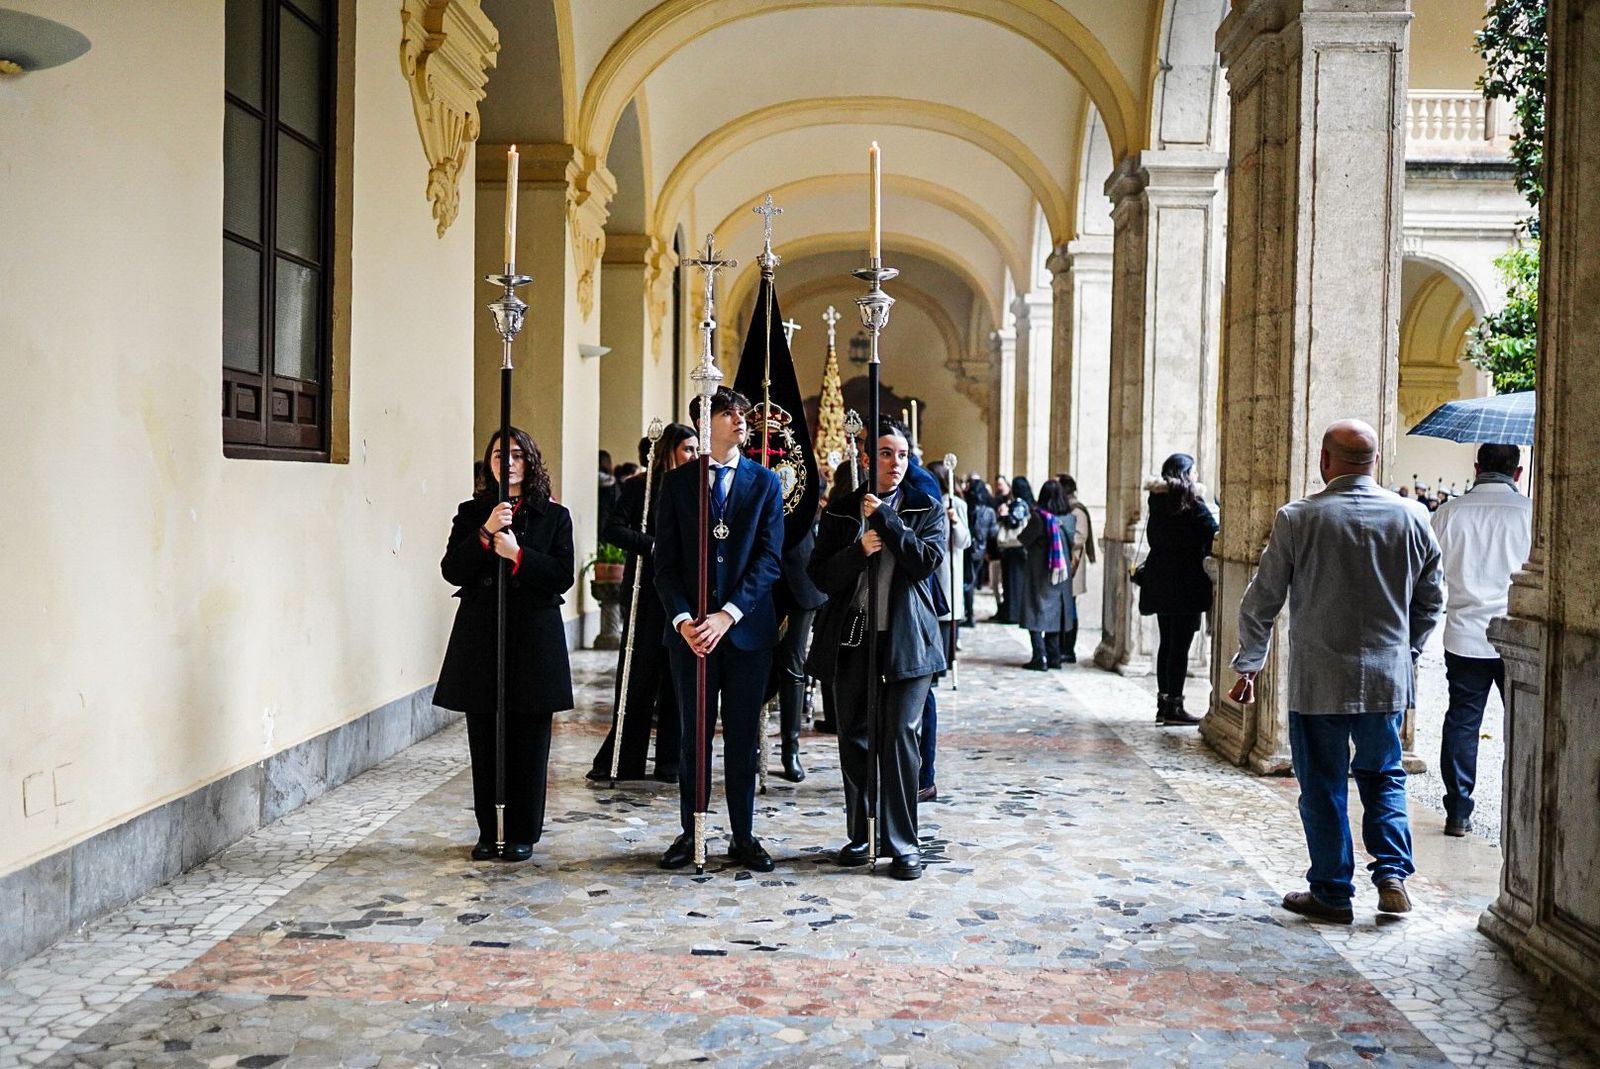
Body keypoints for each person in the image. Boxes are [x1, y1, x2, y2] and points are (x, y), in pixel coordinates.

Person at [1230, 419, 1444, 923]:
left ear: (1325, 461)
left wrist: (1250, 664)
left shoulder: (1297, 518)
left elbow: (1261, 601)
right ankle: (1391, 872)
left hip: (1319, 679)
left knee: (1323, 783)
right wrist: (1405, 651)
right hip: (1386, 678)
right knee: (1385, 775)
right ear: (1374, 463)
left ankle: (1331, 891)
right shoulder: (1413, 516)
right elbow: (1432, 600)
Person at [808, 417, 947, 880]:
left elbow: (925, 562)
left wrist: (886, 521)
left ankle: (904, 843)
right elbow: (820, 575)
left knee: (901, 738)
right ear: (866, 458)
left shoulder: (925, 505)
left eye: (903, 455)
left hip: (908, 640)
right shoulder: (844, 510)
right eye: (885, 453)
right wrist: (857, 551)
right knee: (855, 739)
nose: (895, 463)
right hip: (855, 637)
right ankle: (863, 833)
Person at [653, 387, 785, 872]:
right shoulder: (678, 484)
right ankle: (695, 832)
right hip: (690, 638)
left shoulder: (765, 483)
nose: (741, 420)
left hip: (747, 633)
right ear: (704, 421)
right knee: (694, 736)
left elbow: (769, 562)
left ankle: (744, 835)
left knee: (743, 738)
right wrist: (686, 620)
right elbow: (663, 565)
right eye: (729, 413)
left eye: (742, 413)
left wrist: (727, 614)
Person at [435, 428, 575, 863]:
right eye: (500, 454)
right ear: (489, 462)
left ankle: (521, 831)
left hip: (533, 636)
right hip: (483, 634)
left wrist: (517, 554)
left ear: (530, 461)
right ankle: (488, 828)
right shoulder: (472, 512)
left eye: (517, 454)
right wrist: (485, 532)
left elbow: (561, 574)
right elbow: (452, 570)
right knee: (486, 737)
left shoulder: (554, 515)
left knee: (529, 739)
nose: (508, 462)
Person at [586, 422, 698, 784]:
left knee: (674, 677)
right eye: (688, 449)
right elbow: (613, 529)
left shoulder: (699, 488)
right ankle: (624, 757)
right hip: (645, 592)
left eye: (696, 450)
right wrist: (650, 545)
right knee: (639, 675)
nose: (694, 456)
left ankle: (670, 761)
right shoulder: (640, 487)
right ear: (669, 450)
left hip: (682, 593)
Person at [1430, 443, 1532, 837]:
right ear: (1518, 473)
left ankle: (1458, 810)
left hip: (1464, 635)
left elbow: (1430, 575)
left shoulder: (1448, 513)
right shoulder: (1530, 515)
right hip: (1518, 636)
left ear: (1476, 468)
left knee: (1462, 722)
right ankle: (1522, 811)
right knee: (1523, 726)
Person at [1139, 454, 1219, 725]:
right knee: (1180, 647)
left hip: (1161, 582)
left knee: (1167, 643)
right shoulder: (1191, 502)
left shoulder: (1157, 502)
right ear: (1186, 474)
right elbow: (1213, 531)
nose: (1197, 476)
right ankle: (1175, 706)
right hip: (1186, 583)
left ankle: (1164, 703)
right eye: (1194, 471)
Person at [921, 459, 971, 803]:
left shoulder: (957, 505)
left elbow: (964, 541)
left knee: (943, 627)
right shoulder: (923, 503)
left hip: (947, 575)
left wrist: (954, 521)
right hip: (927, 579)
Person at [1016, 480, 1076, 670]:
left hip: (1040, 573)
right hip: (1061, 575)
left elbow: (1024, 538)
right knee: (1055, 616)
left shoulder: (1039, 518)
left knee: (1035, 612)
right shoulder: (1068, 519)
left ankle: (1039, 657)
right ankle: (1054, 657)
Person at [1055, 473, 1095, 662]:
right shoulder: (1066, 508)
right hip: (1064, 563)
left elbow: (1079, 537)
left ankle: (1068, 649)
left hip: (1073, 565)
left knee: (1069, 608)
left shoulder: (1076, 510)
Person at [992, 476, 1032, 624]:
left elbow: (1014, 522)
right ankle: (1011, 612)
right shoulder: (1022, 504)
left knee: (1013, 583)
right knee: (1011, 583)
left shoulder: (1019, 505)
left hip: (1014, 548)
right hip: (1015, 548)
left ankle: (1012, 614)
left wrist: (1005, 514)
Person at [962, 478, 998, 627]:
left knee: (968, 583)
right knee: (972, 581)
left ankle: (969, 615)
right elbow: (993, 533)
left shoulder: (968, 508)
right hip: (981, 551)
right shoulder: (989, 511)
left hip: (968, 549)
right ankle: (969, 613)